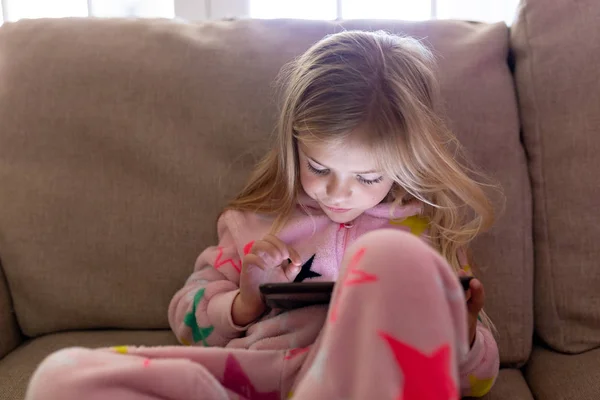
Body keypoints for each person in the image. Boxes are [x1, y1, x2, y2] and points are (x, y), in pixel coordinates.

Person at [25, 30, 500, 400]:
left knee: (391, 258)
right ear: (293, 147)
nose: (338, 193)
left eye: (370, 178)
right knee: (62, 377)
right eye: (319, 167)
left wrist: (462, 332)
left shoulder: (428, 234)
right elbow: (187, 319)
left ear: (407, 166)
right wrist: (245, 301)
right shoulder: (258, 221)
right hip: (256, 378)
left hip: (367, 379)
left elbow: (478, 381)